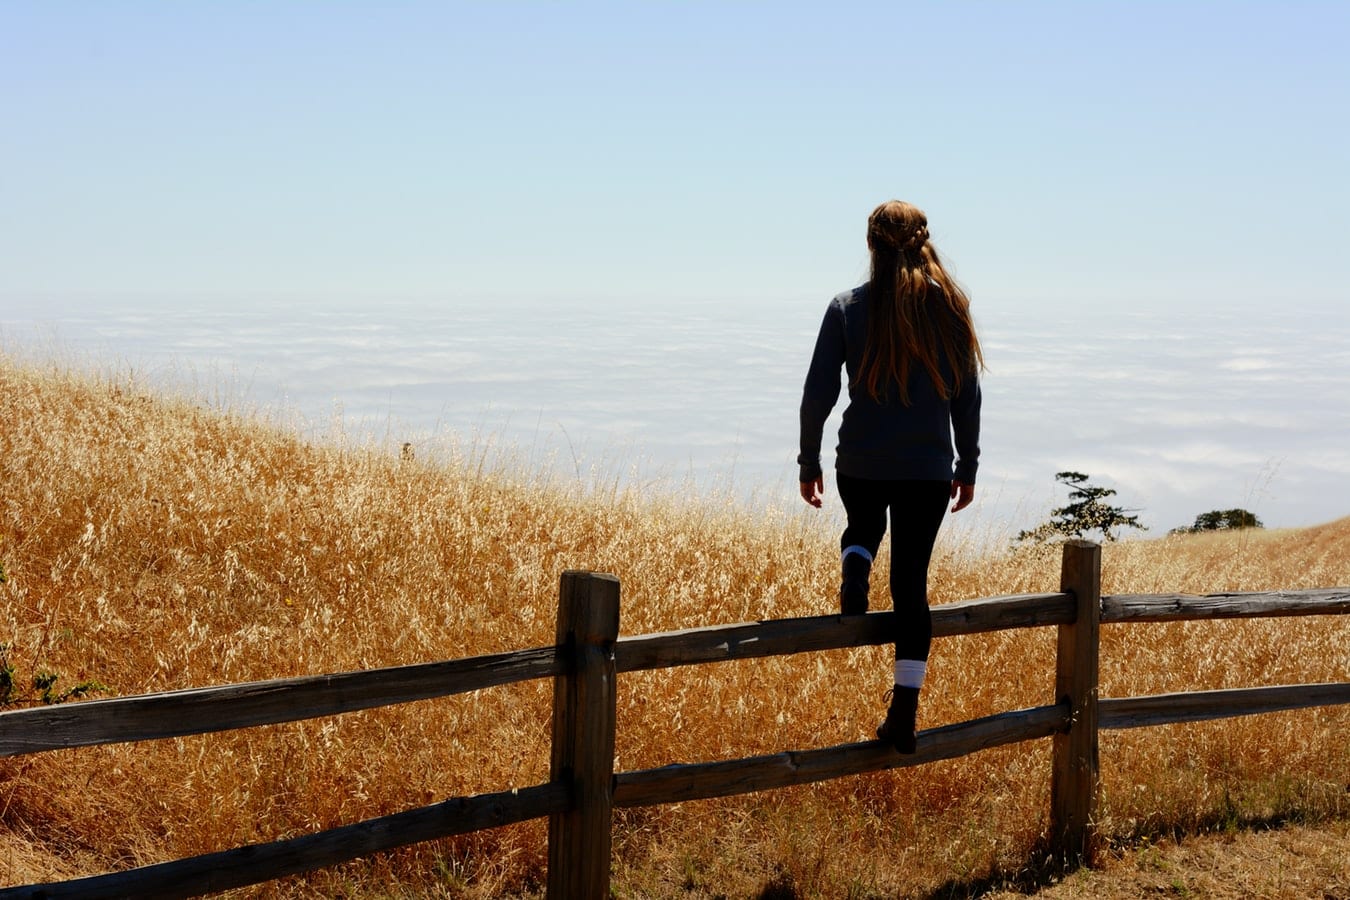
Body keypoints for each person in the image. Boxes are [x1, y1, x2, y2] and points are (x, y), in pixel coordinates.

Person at [797, 199, 984, 754]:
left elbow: (817, 394)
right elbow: (967, 396)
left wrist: (808, 462)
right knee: (910, 587)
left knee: (861, 525)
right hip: (927, 470)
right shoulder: (949, 306)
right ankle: (903, 714)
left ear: (871, 245)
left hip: (860, 461)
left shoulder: (846, 307)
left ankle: (855, 566)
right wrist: (967, 466)